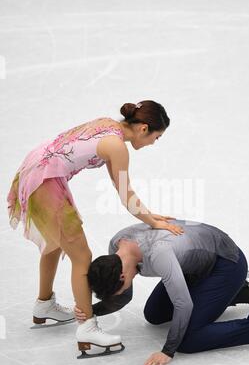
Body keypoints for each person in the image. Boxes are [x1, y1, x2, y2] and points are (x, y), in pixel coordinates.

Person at [6, 100, 184, 349]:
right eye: (157, 137)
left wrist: (151, 216)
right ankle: (87, 328)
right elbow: (126, 195)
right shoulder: (117, 147)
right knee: (82, 257)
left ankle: (44, 304)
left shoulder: (109, 127)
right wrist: (153, 221)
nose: (155, 142)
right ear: (144, 128)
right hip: (45, 180)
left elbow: (120, 188)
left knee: (56, 245)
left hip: (37, 169)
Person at [75, 219, 249, 365]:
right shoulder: (116, 246)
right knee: (154, 314)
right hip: (193, 267)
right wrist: (91, 311)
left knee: (188, 341)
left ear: (122, 277)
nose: (120, 293)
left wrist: (168, 351)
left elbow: (184, 304)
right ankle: (239, 292)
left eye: (117, 289)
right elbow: (124, 296)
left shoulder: (159, 254)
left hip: (227, 264)